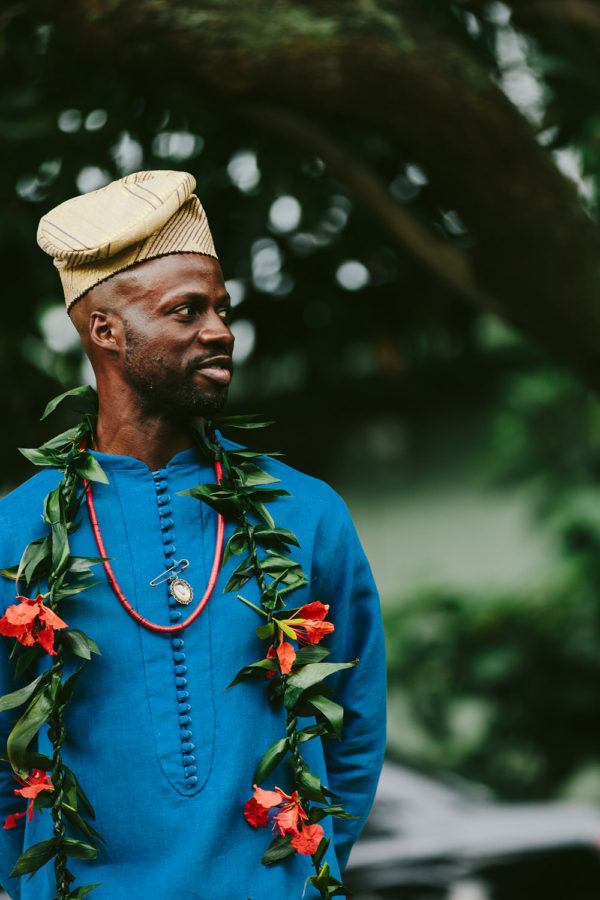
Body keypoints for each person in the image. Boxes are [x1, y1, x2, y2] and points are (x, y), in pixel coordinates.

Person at [0, 170, 387, 899]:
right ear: (107, 332)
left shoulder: (307, 514)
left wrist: (303, 876)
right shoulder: (13, 534)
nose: (221, 331)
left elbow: (357, 725)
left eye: (221, 308)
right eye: (186, 311)